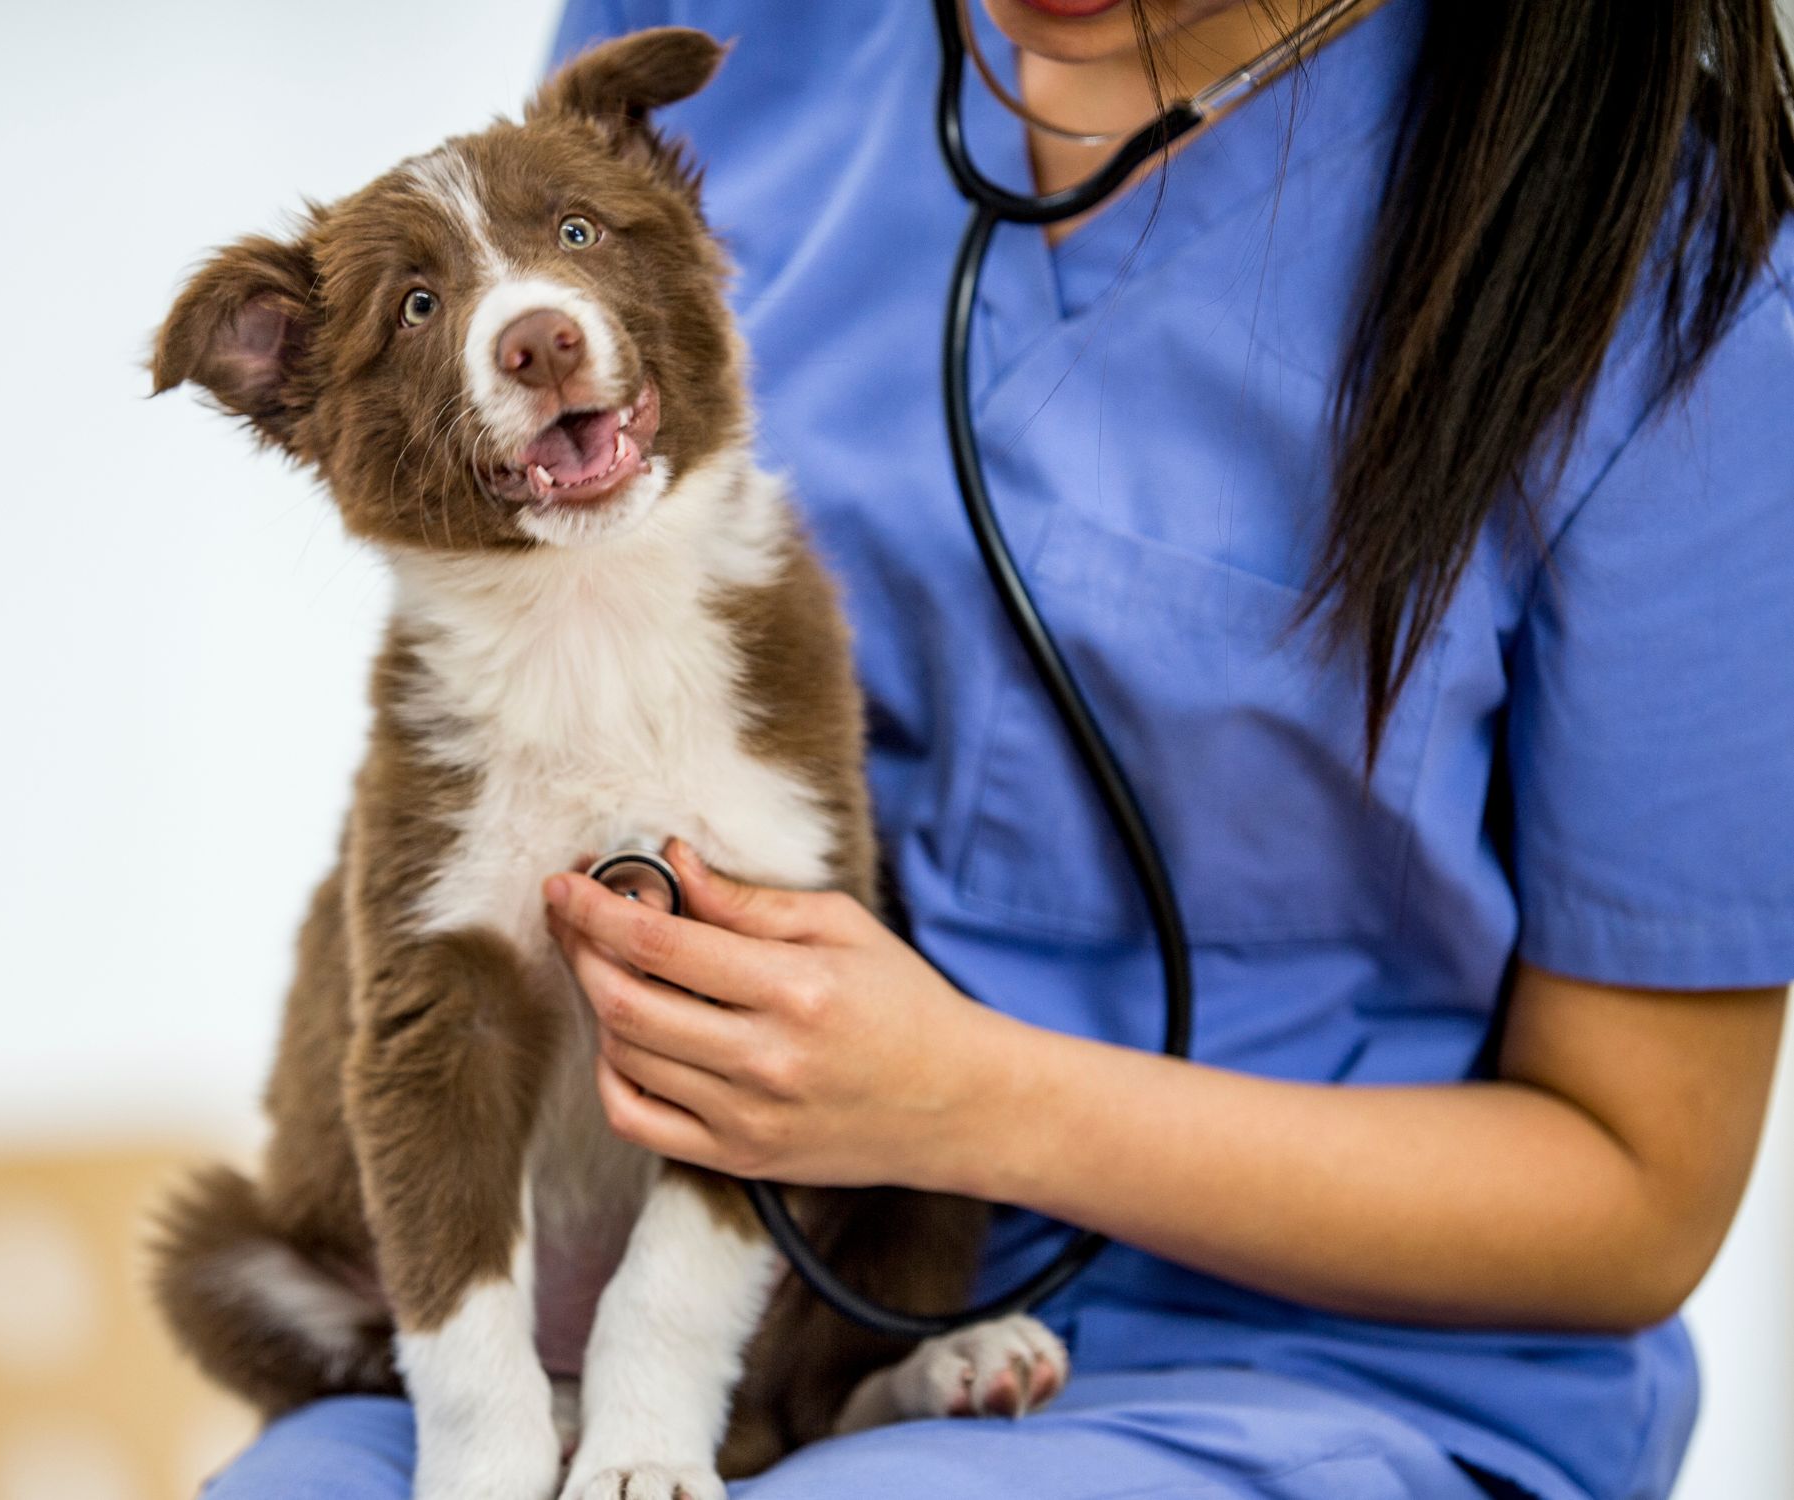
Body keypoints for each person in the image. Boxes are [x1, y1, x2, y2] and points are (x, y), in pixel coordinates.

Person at [201, 2, 1794, 1497]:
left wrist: (957, 1101)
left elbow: (1637, 1192)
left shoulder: (1674, 280)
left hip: (1313, 1364)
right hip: (658, 1275)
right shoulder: (733, 37)